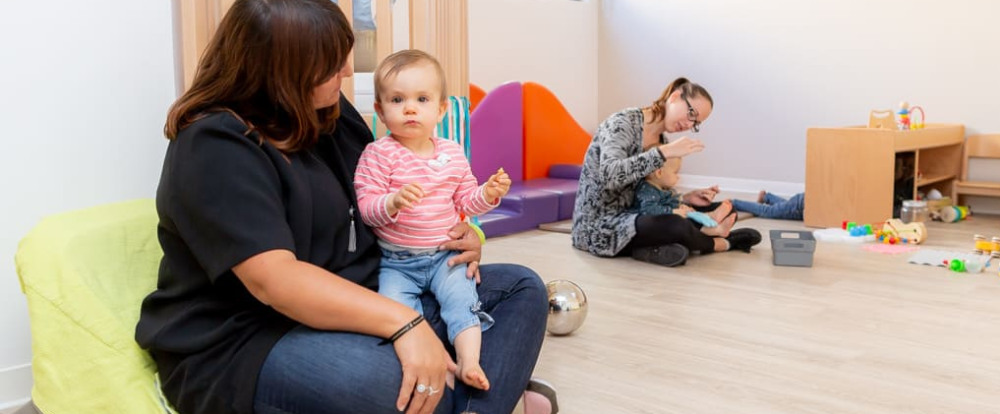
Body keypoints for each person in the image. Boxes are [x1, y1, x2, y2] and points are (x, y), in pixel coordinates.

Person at [134, 2, 549, 414]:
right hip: (253, 336)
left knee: (520, 288)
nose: (348, 71)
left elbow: (380, 205)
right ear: (283, 71)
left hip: (369, 293)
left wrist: (462, 236)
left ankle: (478, 403)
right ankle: (494, 399)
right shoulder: (216, 145)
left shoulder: (328, 114)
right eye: (331, 62)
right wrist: (407, 324)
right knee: (414, 389)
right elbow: (275, 282)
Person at [354, 49, 511, 392]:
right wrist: (392, 202)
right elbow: (366, 207)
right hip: (396, 262)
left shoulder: (452, 153)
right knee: (399, 314)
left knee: (462, 301)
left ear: (440, 109)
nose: (410, 108)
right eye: (397, 99)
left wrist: (489, 193)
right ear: (380, 110)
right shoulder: (378, 154)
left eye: (422, 99)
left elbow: (467, 202)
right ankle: (440, 364)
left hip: (445, 256)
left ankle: (469, 361)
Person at [571, 77, 762, 267]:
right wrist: (664, 152)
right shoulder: (622, 124)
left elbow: (649, 191)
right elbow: (609, 176)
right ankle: (719, 243)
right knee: (676, 225)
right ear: (675, 97)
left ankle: (658, 247)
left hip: (639, 213)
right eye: (691, 114)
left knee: (726, 209)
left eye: (695, 123)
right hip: (600, 226)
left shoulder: (662, 139)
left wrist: (686, 200)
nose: (689, 124)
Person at [633, 157, 751, 246]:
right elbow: (647, 210)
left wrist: (684, 205)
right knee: (680, 221)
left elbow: (671, 200)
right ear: (659, 173)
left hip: (672, 216)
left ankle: (710, 220)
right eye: (675, 173)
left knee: (731, 210)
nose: (678, 177)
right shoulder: (646, 190)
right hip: (654, 224)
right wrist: (674, 211)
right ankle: (714, 230)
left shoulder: (662, 187)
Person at [731, 190, 806, 220]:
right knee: (769, 211)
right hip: (802, 205)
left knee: (786, 209)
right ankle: (734, 203)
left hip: (803, 202)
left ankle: (767, 197)